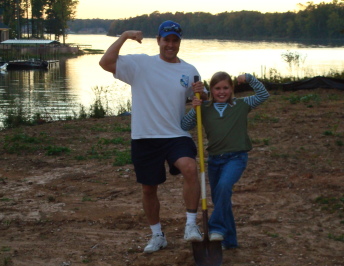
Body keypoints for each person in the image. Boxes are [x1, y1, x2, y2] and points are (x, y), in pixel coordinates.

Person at [99, 20, 207, 253]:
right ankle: (157, 235)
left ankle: (191, 226)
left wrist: (201, 97)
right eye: (166, 40)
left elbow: (201, 96)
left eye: (174, 40)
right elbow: (105, 62)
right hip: (144, 136)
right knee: (149, 189)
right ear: (158, 41)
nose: (170, 44)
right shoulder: (140, 64)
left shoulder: (189, 70)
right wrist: (125, 35)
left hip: (175, 134)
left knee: (190, 167)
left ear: (179, 43)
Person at [181, 72, 269, 249]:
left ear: (232, 89)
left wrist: (250, 78)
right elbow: (185, 125)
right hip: (215, 160)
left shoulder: (242, 104)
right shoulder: (205, 108)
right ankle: (229, 242)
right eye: (217, 88)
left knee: (223, 187)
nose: (222, 92)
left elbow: (263, 95)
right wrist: (194, 108)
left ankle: (216, 228)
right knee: (221, 198)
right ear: (211, 90)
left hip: (236, 157)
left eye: (226, 88)